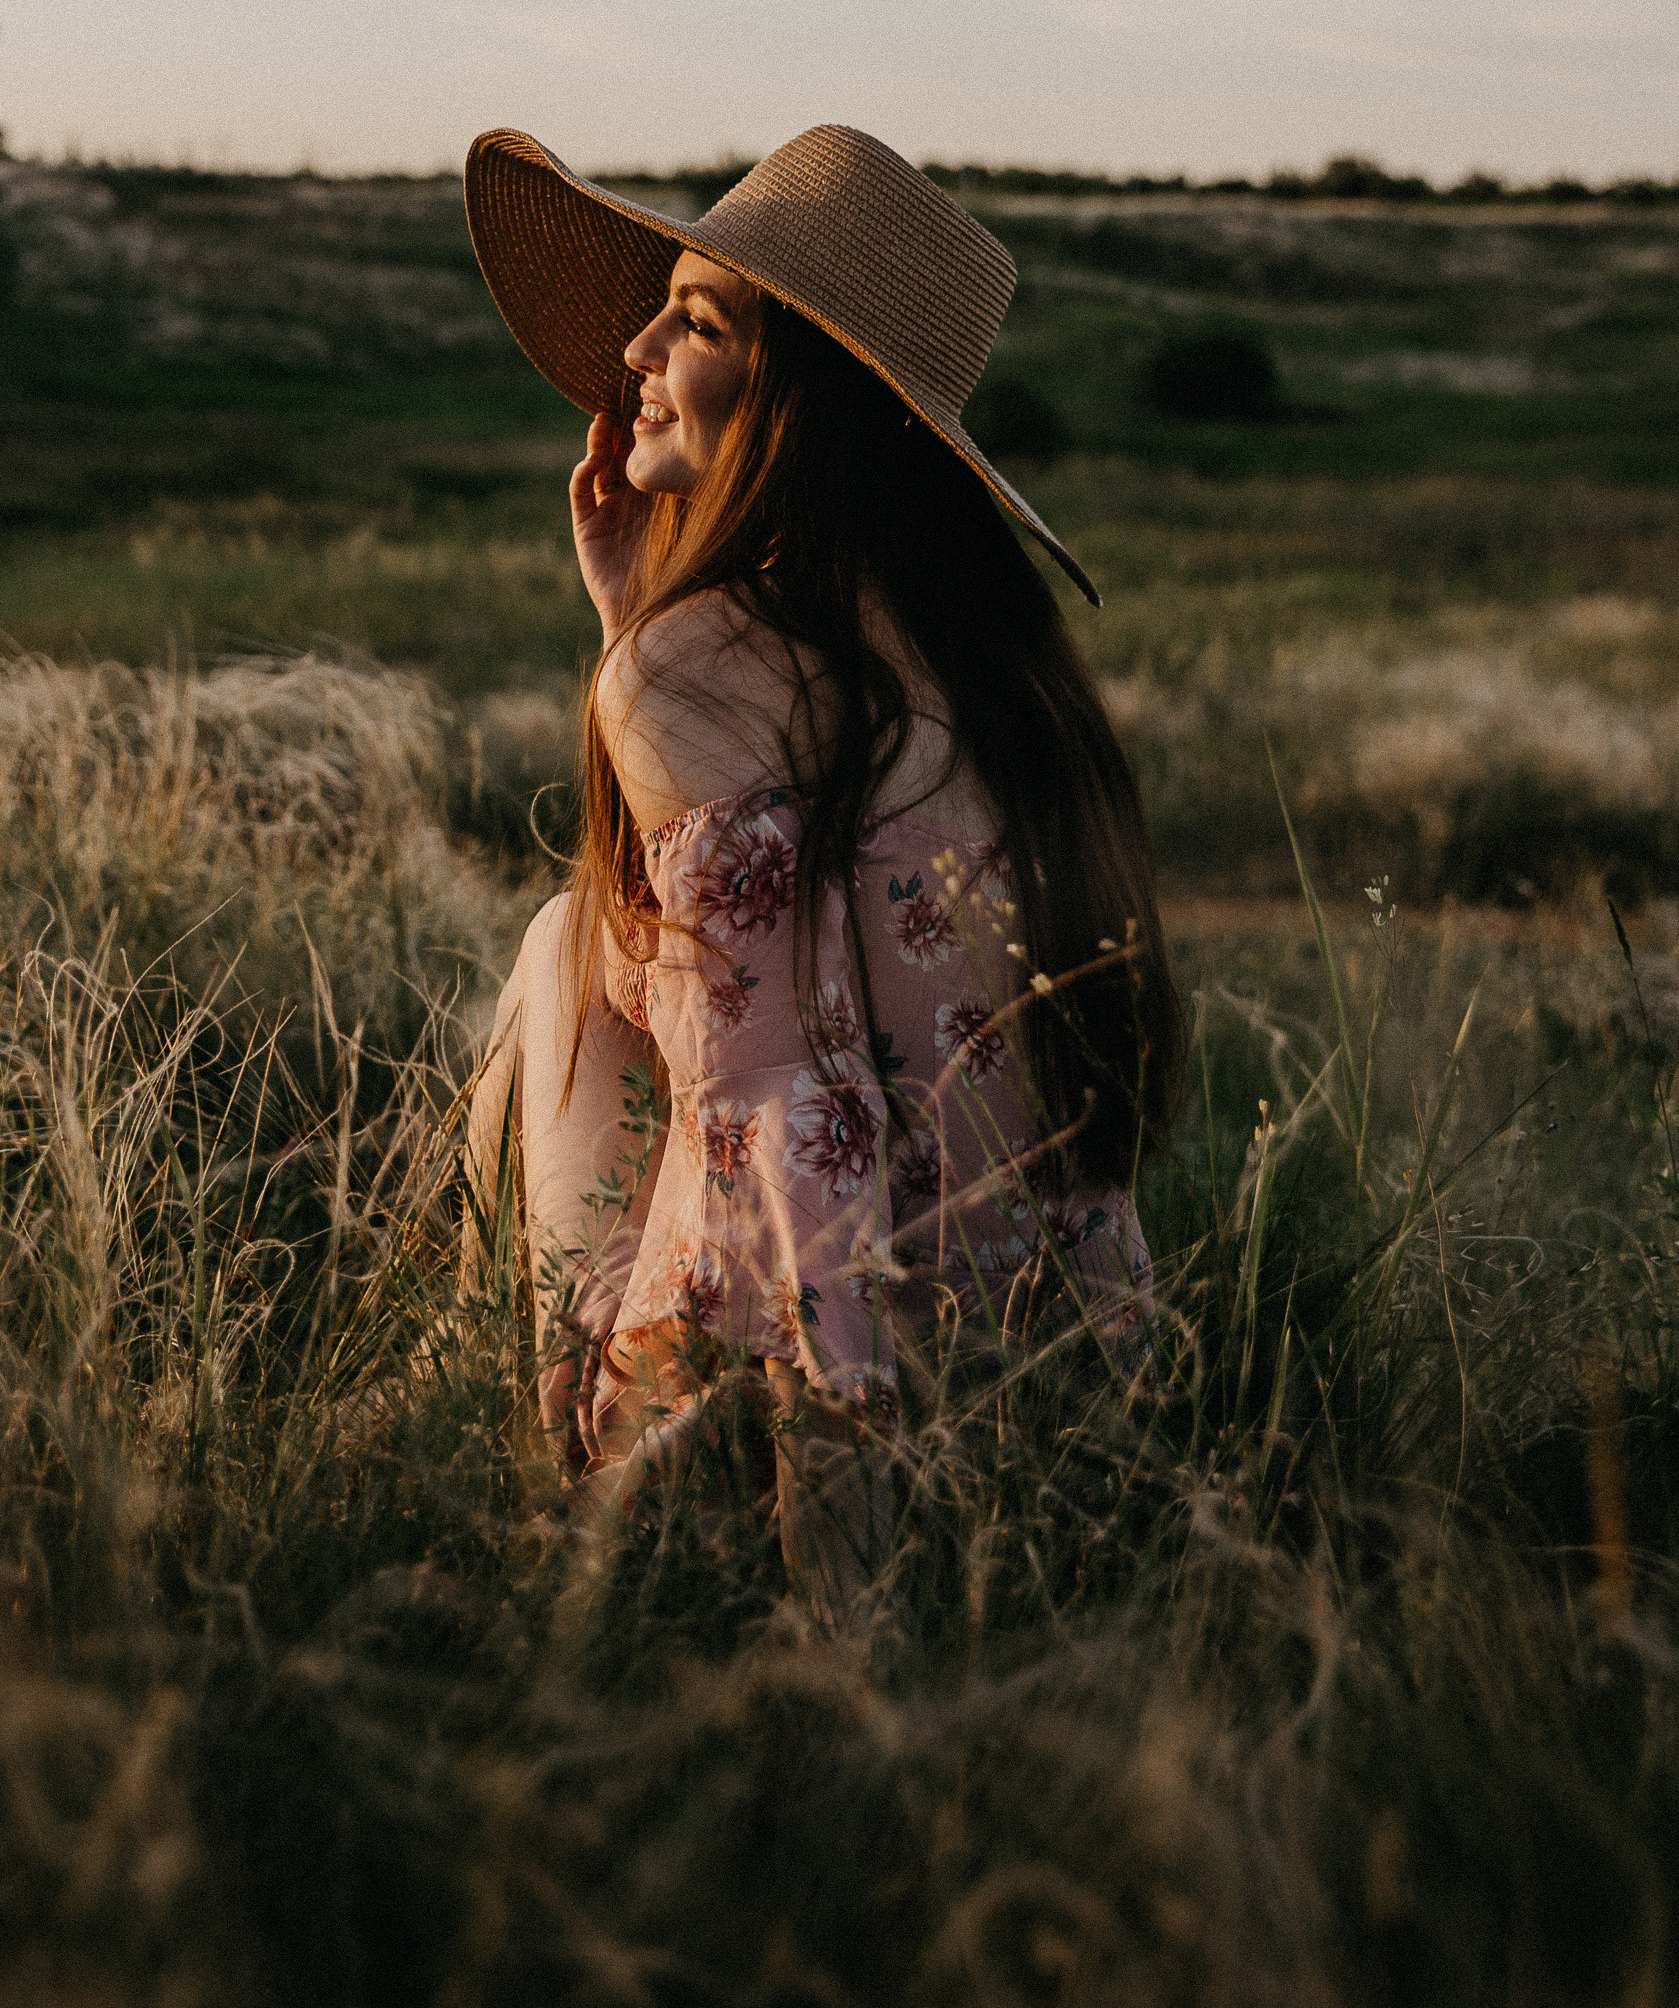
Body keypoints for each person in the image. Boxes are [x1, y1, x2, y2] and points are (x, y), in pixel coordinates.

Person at [460, 123, 1183, 1596]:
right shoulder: (1007, 672)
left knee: (559, 944)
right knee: (595, 929)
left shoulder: (694, 671)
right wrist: (629, 624)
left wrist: (843, 1609)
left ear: (805, 402)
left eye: (698, 321)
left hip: (771, 1424)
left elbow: (791, 1135)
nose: (636, 347)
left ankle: (523, 1405)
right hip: (1053, 1374)